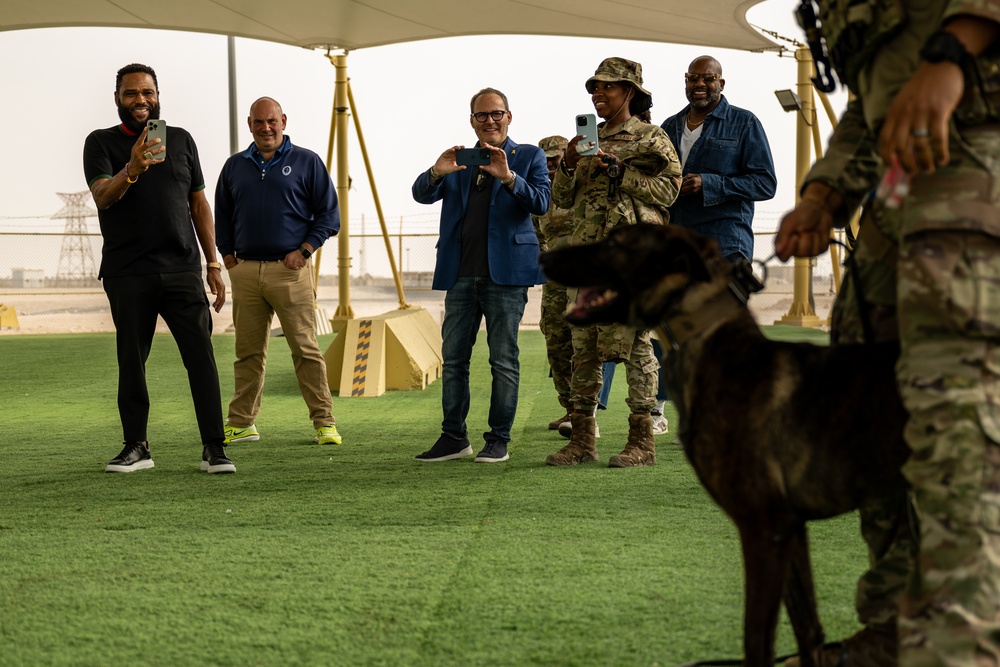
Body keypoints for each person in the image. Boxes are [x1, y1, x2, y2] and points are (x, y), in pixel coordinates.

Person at [775, 4, 1000, 664]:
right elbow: (880, 92)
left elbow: (927, 69)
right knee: (874, 431)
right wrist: (826, 192)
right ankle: (894, 633)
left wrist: (954, 54)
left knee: (959, 434)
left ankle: (960, 645)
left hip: (976, 166)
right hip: (902, 197)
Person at [83, 63, 235, 474]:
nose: (141, 100)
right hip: (128, 271)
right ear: (117, 98)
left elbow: (199, 204)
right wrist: (132, 168)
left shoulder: (181, 140)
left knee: (201, 357)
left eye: (147, 92)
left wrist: (213, 262)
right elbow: (102, 196)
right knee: (132, 359)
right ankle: (137, 446)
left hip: (182, 269)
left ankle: (214, 448)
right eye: (131, 93)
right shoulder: (100, 143)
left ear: (158, 94)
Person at [546, 57, 681, 468]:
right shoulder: (588, 139)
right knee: (583, 347)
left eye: (607, 87)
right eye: (594, 89)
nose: (598, 94)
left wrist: (622, 173)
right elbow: (564, 199)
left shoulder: (650, 137)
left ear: (630, 92)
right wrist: (568, 163)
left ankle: (642, 441)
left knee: (637, 346)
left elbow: (669, 191)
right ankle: (583, 439)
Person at [412, 88, 551, 464]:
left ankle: (498, 439)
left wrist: (509, 179)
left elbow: (541, 202)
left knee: (502, 359)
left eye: (496, 114)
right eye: (481, 115)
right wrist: (436, 172)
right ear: (471, 120)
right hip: (460, 272)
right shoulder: (459, 160)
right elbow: (420, 195)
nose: (490, 121)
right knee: (454, 359)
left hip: (506, 274)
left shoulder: (530, 156)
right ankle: (454, 437)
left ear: (509, 116)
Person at [215, 97, 342, 447]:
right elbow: (221, 217)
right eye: (259, 122)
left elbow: (330, 217)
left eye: (272, 121)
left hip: (291, 273)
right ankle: (241, 423)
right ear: (249, 124)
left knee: (305, 349)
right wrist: (228, 258)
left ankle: (324, 423)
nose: (266, 128)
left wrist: (304, 251)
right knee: (248, 353)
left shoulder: (307, 162)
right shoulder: (234, 166)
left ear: (283, 121)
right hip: (245, 272)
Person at [660, 55, 777, 263]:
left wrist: (708, 183)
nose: (699, 84)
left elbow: (765, 184)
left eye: (708, 78)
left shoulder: (744, 123)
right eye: (693, 78)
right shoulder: (669, 126)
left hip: (724, 248)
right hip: (677, 249)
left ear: (721, 84)